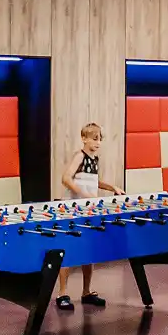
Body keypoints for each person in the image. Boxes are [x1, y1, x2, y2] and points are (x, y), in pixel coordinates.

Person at [54, 120, 113, 311]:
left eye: (100, 139)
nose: (97, 143)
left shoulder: (94, 160)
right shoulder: (79, 156)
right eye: (94, 139)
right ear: (84, 139)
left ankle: (86, 292)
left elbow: (94, 182)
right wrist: (84, 195)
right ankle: (62, 293)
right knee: (68, 251)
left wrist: (112, 187)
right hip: (74, 210)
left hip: (89, 211)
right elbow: (66, 178)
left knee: (89, 251)